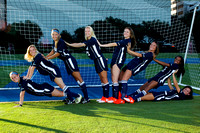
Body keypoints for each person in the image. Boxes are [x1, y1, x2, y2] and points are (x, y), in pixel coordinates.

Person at [65, 26, 109, 103]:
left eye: (89, 31)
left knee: (104, 79)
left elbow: (80, 44)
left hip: (100, 60)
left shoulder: (92, 39)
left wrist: (69, 44)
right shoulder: (88, 40)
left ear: (91, 32)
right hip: (96, 61)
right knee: (102, 79)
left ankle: (107, 98)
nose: (87, 32)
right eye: (86, 31)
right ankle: (104, 97)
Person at [46, 28, 89, 104]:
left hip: (70, 60)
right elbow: (53, 51)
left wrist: (47, 58)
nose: (54, 36)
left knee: (79, 78)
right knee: (77, 79)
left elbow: (57, 54)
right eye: (53, 34)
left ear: (59, 35)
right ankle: (79, 97)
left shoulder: (61, 41)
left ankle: (86, 98)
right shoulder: (55, 41)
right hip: (66, 62)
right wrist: (45, 57)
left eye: (56, 34)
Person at [121, 55, 185, 104]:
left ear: (180, 62)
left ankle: (133, 98)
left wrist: (154, 59)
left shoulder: (176, 66)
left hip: (159, 79)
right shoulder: (173, 65)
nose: (176, 60)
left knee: (147, 88)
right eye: (176, 59)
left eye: (178, 60)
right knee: (142, 87)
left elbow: (164, 64)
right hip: (156, 77)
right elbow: (168, 73)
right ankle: (129, 96)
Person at [98, 27, 136, 103]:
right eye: (124, 31)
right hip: (114, 60)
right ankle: (117, 96)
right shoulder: (124, 40)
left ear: (130, 34)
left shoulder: (127, 41)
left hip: (117, 61)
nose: (125, 33)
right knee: (114, 79)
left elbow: (113, 44)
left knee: (114, 80)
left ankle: (115, 98)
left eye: (127, 32)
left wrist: (101, 45)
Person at [9, 71, 83, 107]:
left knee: (62, 93)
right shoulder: (21, 80)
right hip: (44, 88)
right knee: (62, 94)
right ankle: (71, 99)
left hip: (45, 89)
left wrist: (20, 104)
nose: (14, 78)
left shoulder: (23, 82)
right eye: (12, 78)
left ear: (18, 75)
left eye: (15, 76)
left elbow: (22, 94)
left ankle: (78, 96)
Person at [124, 70, 193, 103]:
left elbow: (176, 84)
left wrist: (173, 74)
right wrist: (168, 74)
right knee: (142, 93)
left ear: (188, 94)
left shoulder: (182, 95)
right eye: (185, 89)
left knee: (140, 98)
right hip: (159, 93)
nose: (185, 90)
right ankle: (128, 98)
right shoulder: (176, 92)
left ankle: (127, 100)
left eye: (187, 91)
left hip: (160, 96)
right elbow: (170, 85)